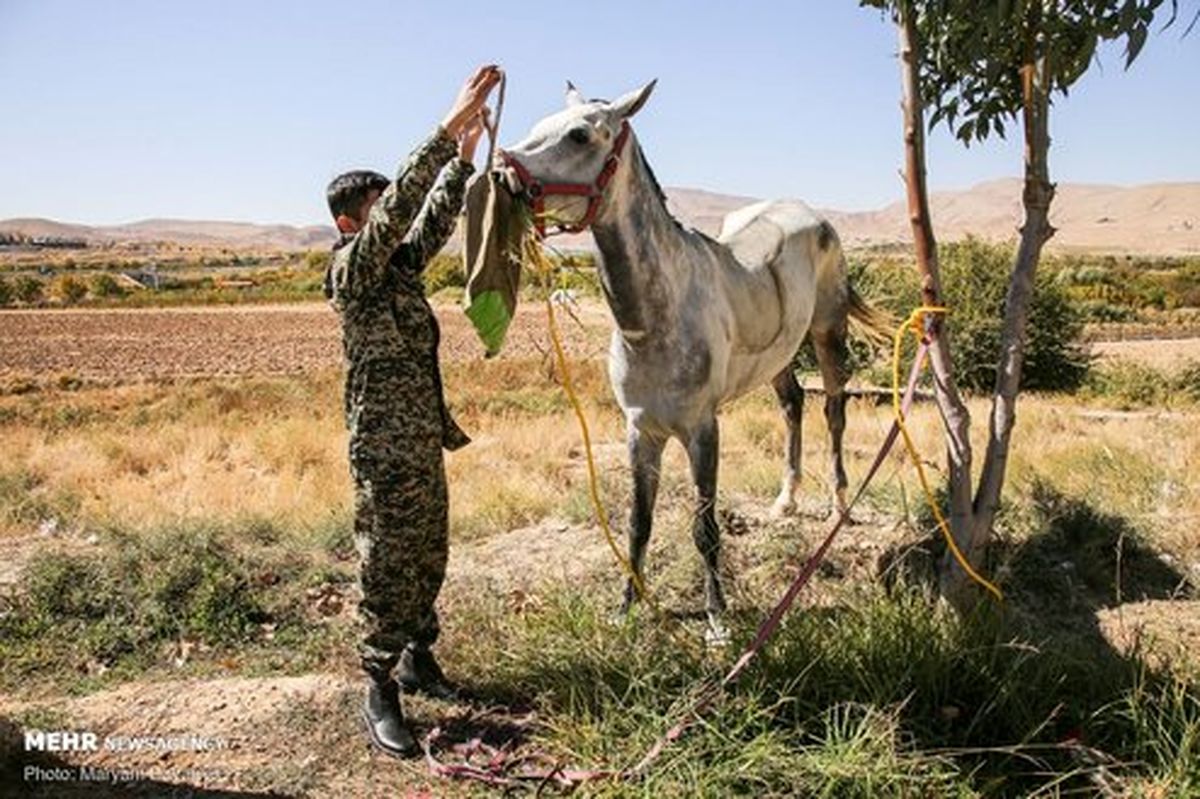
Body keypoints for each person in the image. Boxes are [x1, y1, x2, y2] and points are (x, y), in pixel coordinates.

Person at [323, 64, 501, 758]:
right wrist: (446, 127)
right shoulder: (353, 272)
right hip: (383, 449)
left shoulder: (397, 267)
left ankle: (418, 658)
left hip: (421, 440)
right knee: (387, 562)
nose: (388, 211)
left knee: (429, 552)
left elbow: (431, 219)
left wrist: (463, 158)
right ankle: (379, 683)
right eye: (376, 204)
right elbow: (403, 209)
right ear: (349, 222)